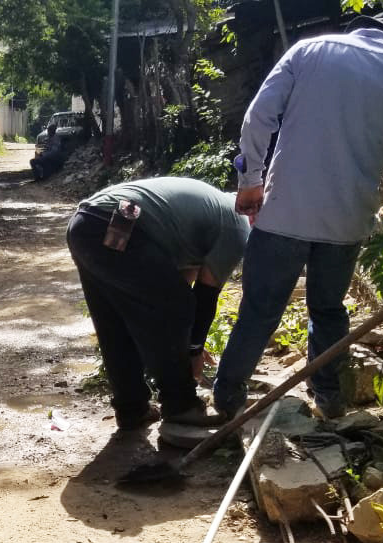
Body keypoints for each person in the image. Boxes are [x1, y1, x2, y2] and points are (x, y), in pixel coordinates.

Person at [211, 11, 383, 420]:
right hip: (348, 217)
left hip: (285, 210)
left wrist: (250, 180)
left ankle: (228, 399)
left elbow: (258, 116)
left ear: (358, 29)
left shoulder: (311, 50)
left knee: (260, 309)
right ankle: (330, 400)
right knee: (328, 309)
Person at [66, 177, 251, 440]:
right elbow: (204, 296)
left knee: (115, 323)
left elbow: (176, 286)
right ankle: (181, 404)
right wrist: (193, 350)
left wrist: (186, 341)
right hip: (119, 225)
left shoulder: (208, 214)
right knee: (178, 307)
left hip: (85, 225)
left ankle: (132, 409)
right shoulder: (238, 225)